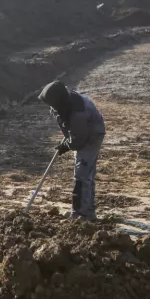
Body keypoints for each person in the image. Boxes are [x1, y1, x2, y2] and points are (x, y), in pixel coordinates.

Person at [38, 80, 105, 221]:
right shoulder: (61, 104)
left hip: (92, 135)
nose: (50, 107)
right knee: (84, 174)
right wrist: (68, 137)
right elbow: (66, 123)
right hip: (80, 131)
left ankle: (83, 214)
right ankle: (84, 210)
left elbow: (80, 139)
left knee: (82, 175)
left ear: (59, 100)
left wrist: (68, 145)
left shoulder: (77, 112)